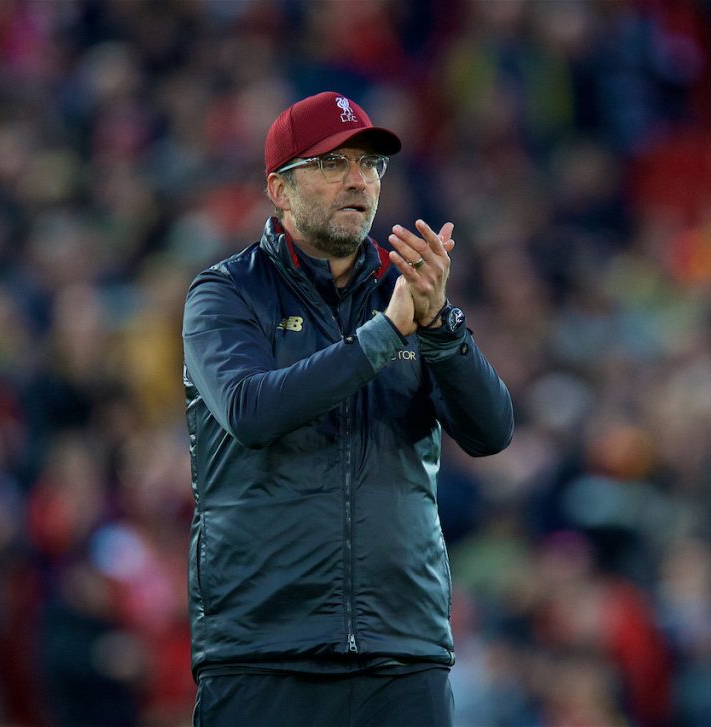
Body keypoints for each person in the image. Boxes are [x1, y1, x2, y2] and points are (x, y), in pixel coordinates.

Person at [181, 91, 515, 726]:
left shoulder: (408, 296)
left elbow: (492, 432)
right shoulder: (225, 295)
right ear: (279, 190)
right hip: (265, 651)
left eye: (370, 165)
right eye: (332, 165)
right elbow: (251, 410)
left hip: (402, 651)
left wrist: (441, 325)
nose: (358, 181)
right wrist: (386, 336)